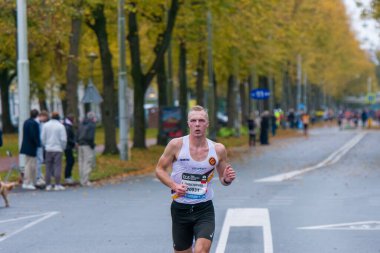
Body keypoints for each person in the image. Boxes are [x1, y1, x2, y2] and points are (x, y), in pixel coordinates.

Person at [155, 105, 236, 253]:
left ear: (207, 124)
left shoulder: (218, 149)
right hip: (180, 209)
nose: (197, 124)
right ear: (188, 124)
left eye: (201, 120)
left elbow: (224, 179)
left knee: (201, 251)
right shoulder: (176, 145)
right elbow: (159, 169)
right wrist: (174, 185)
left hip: (204, 209)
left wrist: (227, 179)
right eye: (193, 121)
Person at [41, 112, 67, 191]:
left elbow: (42, 138)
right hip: (58, 149)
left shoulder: (45, 125)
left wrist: (46, 145)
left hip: (48, 149)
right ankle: (57, 184)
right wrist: (63, 147)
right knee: (57, 166)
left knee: (48, 167)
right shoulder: (61, 126)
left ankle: (48, 185)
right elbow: (63, 139)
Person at [20, 109, 41, 190]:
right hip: (31, 147)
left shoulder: (26, 122)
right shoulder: (34, 123)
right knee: (31, 166)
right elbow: (33, 135)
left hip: (26, 146)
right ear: (37, 115)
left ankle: (27, 182)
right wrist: (37, 143)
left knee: (27, 164)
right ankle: (28, 182)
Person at [77, 111, 97, 187]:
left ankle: (81, 180)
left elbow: (77, 133)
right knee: (87, 162)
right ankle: (85, 180)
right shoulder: (92, 125)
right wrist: (92, 145)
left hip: (80, 144)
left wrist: (77, 142)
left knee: (81, 162)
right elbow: (90, 137)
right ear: (92, 118)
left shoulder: (82, 123)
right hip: (87, 145)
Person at [35, 110, 49, 187]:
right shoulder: (36, 123)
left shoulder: (42, 124)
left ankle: (39, 175)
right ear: (42, 116)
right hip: (38, 145)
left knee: (40, 160)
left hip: (41, 145)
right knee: (38, 160)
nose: (45, 120)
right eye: (45, 118)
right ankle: (38, 176)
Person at [63, 114, 76, 184]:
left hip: (68, 146)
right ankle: (67, 176)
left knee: (70, 161)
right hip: (68, 147)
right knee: (70, 161)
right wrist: (74, 143)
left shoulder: (68, 126)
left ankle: (68, 176)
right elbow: (68, 138)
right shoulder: (68, 127)